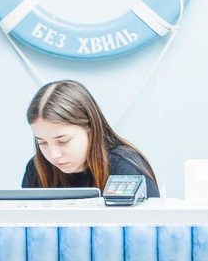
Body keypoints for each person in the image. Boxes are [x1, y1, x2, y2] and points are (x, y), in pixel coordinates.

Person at [21, 80, 160, 196]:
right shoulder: (37, 168)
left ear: (91, 129)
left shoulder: (126, 169)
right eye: (42, 142)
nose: (54, 155)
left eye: (63, 141)